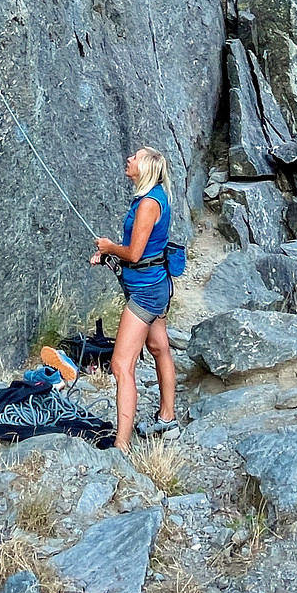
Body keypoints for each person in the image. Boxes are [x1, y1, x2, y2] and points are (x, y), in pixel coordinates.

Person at [91, 147, 179, 450]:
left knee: (120, 365)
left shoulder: (149, 204)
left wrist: (109, 247)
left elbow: (134, 253)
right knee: (158, 347)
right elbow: (141, 249)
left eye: (135, 157)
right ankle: (167, 419)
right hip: (154, 284)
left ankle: (121, 445)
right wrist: (109, 255)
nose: (129, 159)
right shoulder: (151, 197)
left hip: (146, 291)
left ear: (146, 168)